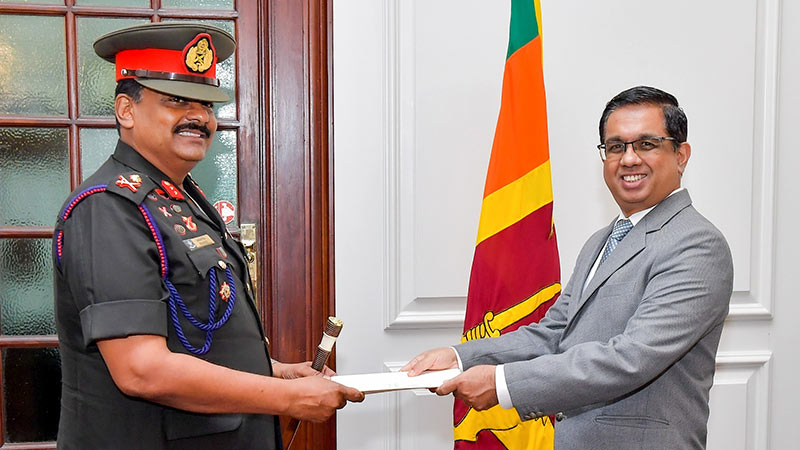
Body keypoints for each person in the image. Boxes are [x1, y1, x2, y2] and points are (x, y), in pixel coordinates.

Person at [53, 22, 363, 450]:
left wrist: (274, 371)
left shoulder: (182, 200)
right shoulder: (108, 209)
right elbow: (141, 369)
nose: (199, 117)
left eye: (206, 103)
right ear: (126, 110)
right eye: (176, 100)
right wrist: (286, 397)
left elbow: (196, 339)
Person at [403, 86, 733, 449]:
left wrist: (502, 384)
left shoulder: (697, 245)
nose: (629, 159)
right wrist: (460, 356)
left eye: (647, 144)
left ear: (681, 155)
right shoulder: (601, 241)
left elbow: (631, 357)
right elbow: (555, 332)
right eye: (616, 146)